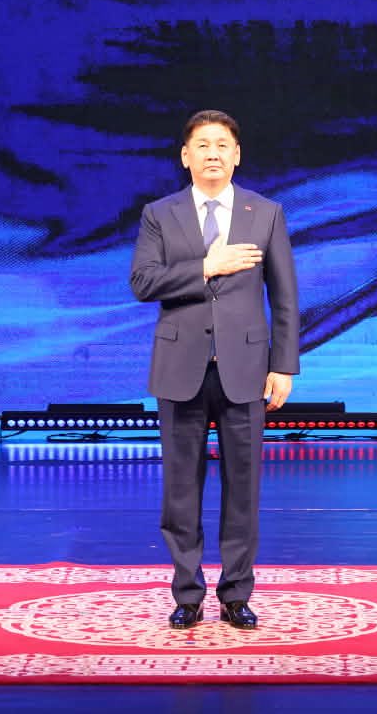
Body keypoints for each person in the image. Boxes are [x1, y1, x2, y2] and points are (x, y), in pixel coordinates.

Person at [130, 110, 299, 630]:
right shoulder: (160, 214)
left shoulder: (265, 212)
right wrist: (206, 267)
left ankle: (236, 594)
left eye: (222, 144)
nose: (212, 154)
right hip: (180, 368)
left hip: (245, 369)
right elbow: (142, 282)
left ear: (237, 155)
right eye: (202, 145)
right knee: (180, 490)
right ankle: (187, 594)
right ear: (185, 156)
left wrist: (284, 365)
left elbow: (285, 297)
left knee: (243, 489)